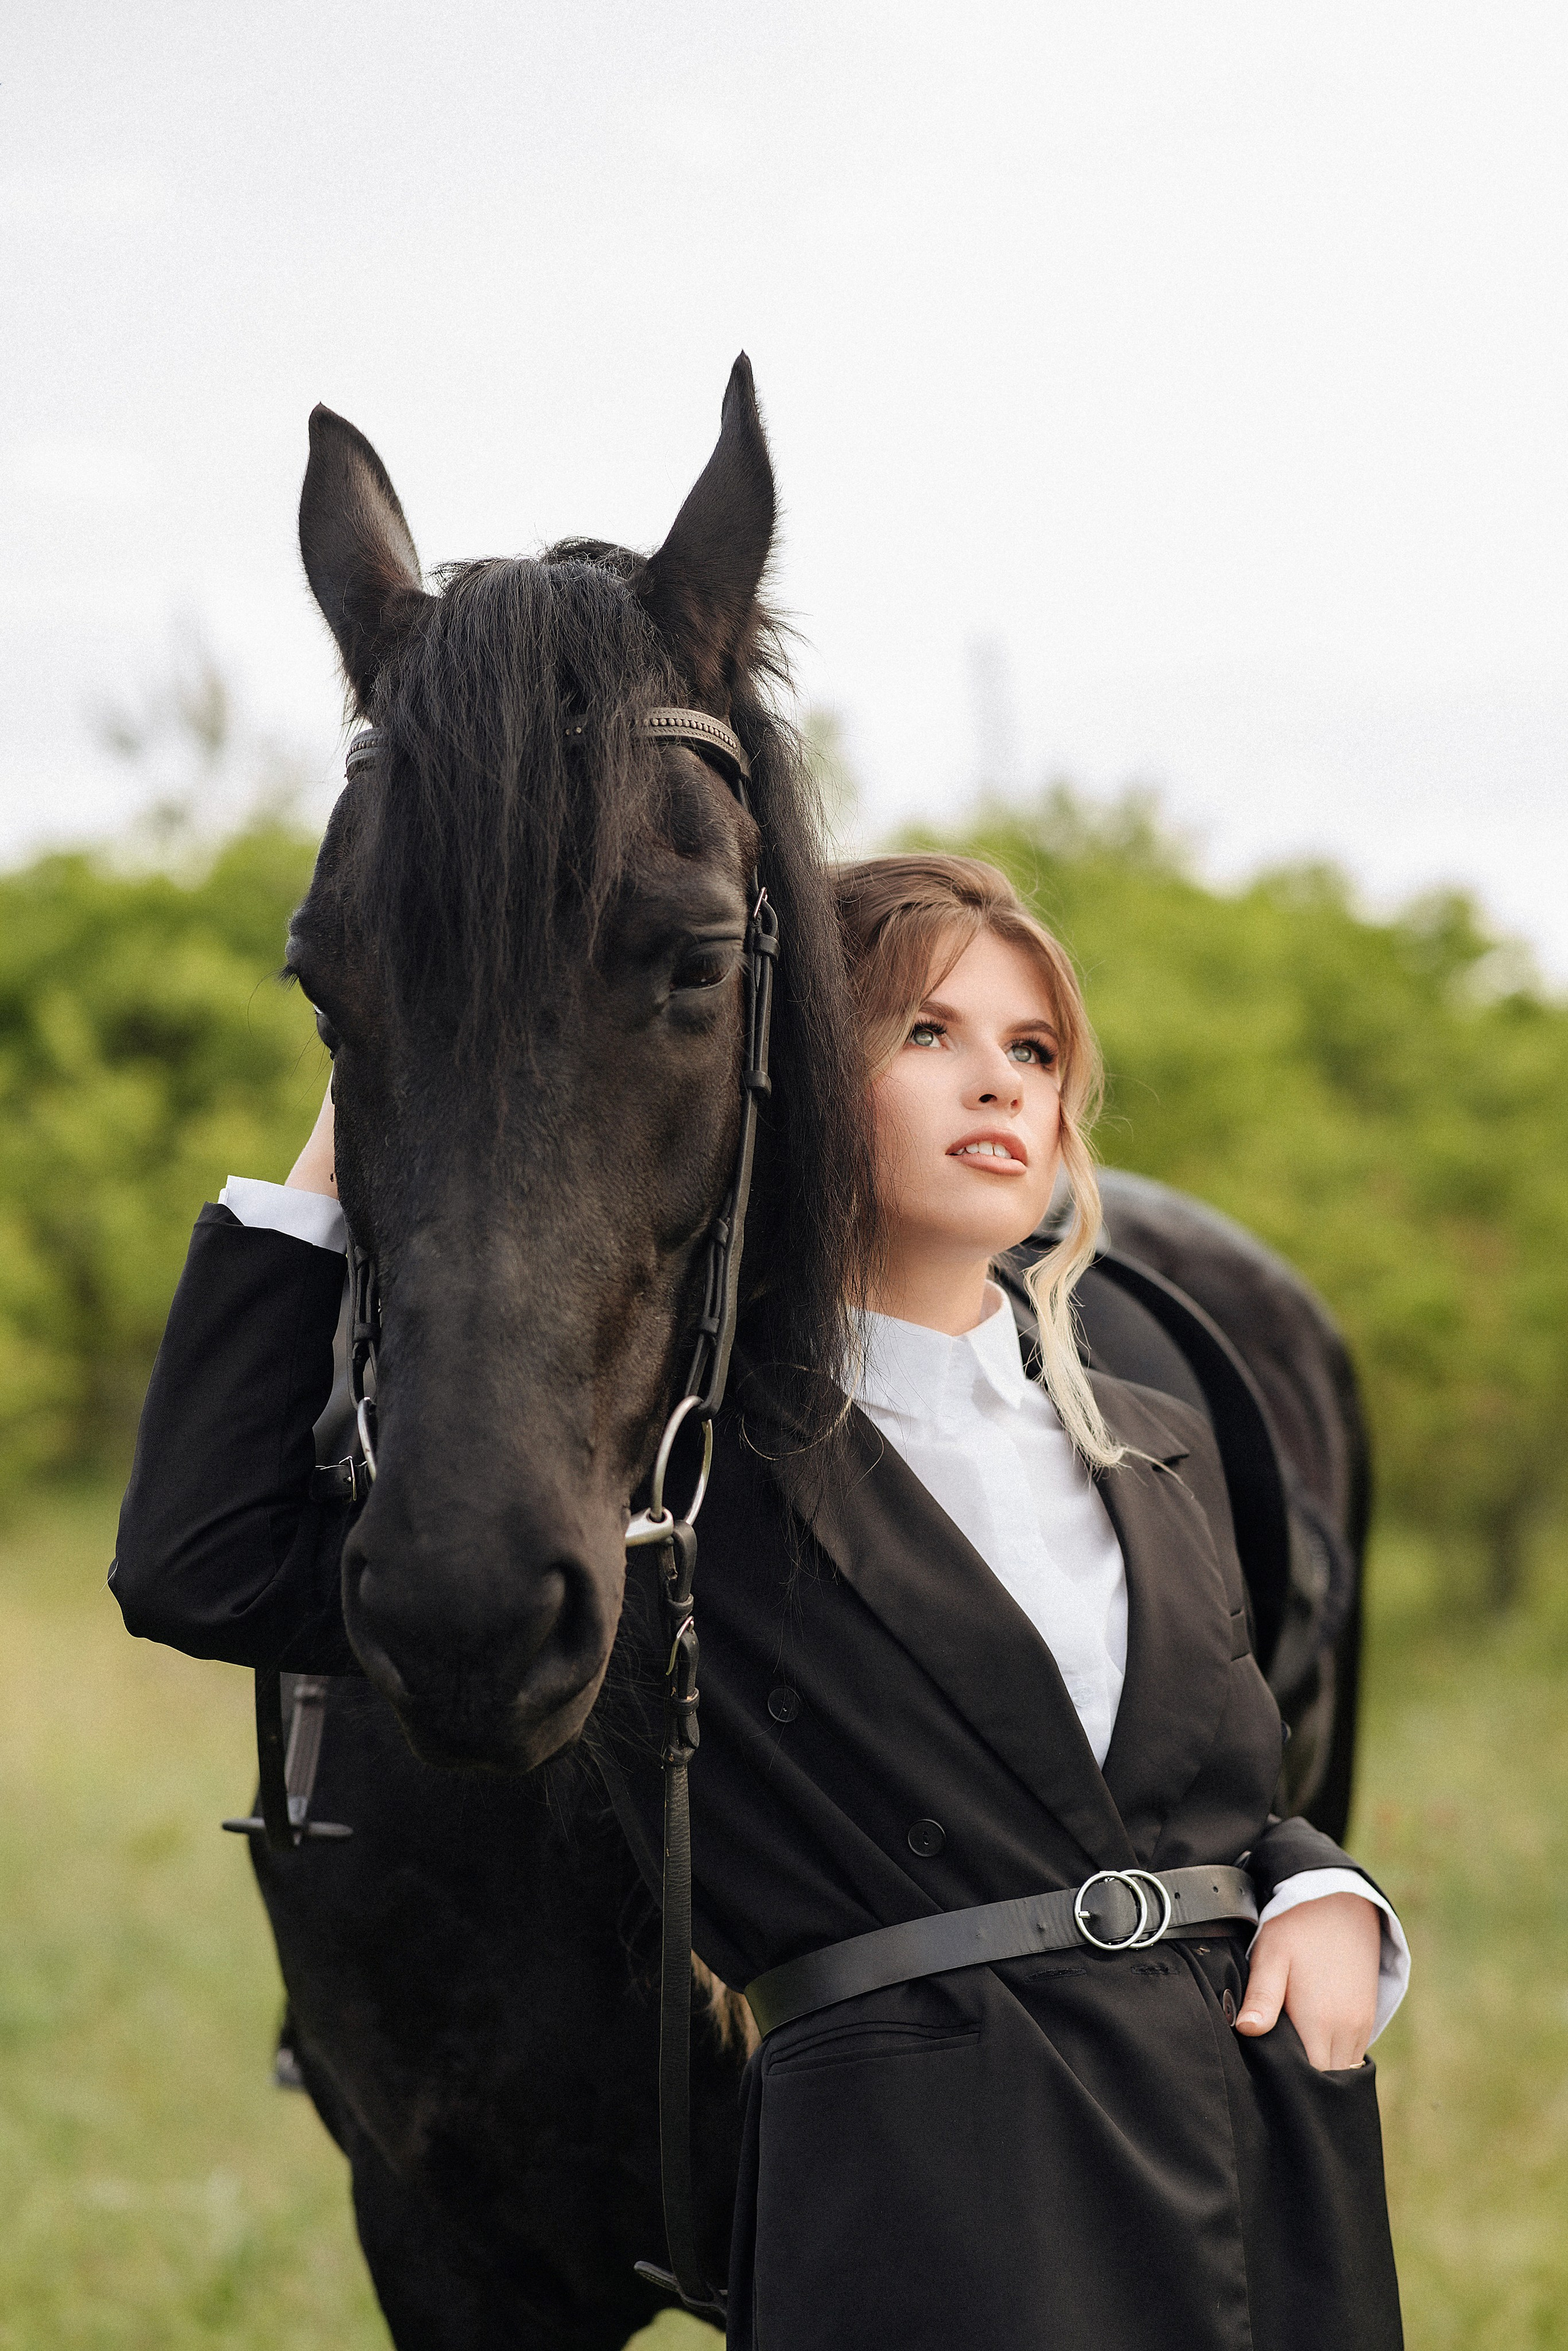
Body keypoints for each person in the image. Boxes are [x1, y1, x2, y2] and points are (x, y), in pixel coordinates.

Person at [113, 851, 1404, 2350]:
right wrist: (371, 1097)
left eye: (1031, 1048)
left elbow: (1199, 1786)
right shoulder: (678, 1488)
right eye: (924, 1034)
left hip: (1254, 2175)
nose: (993, 1080)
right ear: (769, 1087)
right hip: (939, 2196)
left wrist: (1317, 1883)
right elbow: (202, 1560)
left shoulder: (1149, 1441)